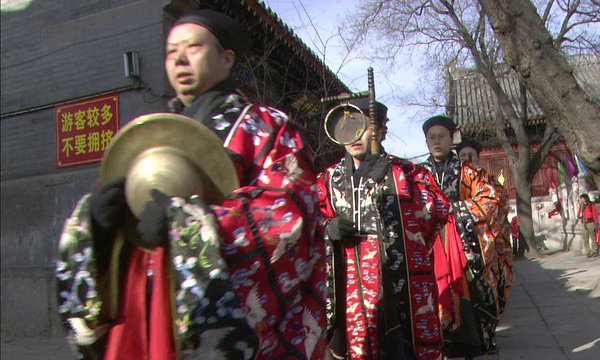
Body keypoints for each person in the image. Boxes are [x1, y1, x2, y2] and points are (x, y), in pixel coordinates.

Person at [55, 9, 328, 359]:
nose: (180, 59)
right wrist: (98, 227)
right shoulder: (147, 137)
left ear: (226, 58)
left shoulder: (266, 126)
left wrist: (184, 225)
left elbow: (287, 216)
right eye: (171, 52)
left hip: (220, 320)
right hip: (144, 310)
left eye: (193, 47)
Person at [317, 98, 450, 359]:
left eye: (362, 127)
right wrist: (328, 227)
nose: (354, 136)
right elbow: (307, 222)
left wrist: (393, 193)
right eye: (346, 127)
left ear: (380, 132)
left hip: (397, 282)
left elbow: (437, 211)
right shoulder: (327, 180)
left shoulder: (408, 174)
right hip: (348, 287)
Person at [420, 116, 503, 359]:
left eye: (441, 136)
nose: (437, 142)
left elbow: (491, 200)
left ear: (451, 139)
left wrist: (454, 210)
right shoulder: (416, 175)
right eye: (431, 138)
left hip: (465, 247)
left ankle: (468, 348)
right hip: (430, 249)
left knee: (470, 296)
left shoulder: (470, 173)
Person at [456, 138, 513, 321]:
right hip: (464, 244)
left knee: (493, 286)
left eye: (470, 155)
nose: (467, 159)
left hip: (492, 242)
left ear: (478, 157)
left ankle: (491, 327)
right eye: (462, 156)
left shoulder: (490, 181)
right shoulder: (456, 182)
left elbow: (500, 206)